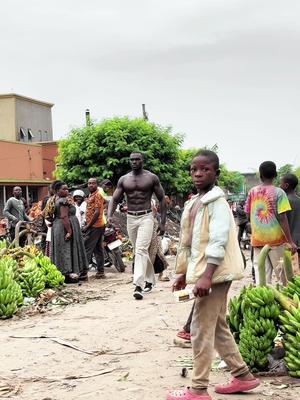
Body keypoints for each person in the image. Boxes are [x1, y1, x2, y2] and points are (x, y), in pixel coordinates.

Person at [167, 150, 259, 400]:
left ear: (216, 173)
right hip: (207, 272)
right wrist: (183, 273)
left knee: (200, 328)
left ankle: (198, 389)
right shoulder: (194, 202)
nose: (198, 173)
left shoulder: (217, 202)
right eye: (194, 169)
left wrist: (206, 276)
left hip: (216, 273)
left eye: (205, 169)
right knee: (217, 326)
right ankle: (243, 376)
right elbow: (189, 243)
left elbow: (217, 241)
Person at [108, 151, 166, 300]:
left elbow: (162, 199)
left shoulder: (151, 177)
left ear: (142, 161)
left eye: (137, 160)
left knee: (141, 249)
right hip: (130, 218)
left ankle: (138, 285)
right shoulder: (124, 179)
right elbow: (114, 199)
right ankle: (150, 280)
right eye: (132, 160)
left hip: (146, 217)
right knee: (139, 250)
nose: (134, 162)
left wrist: (162, 222)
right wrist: (109, 215)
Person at [245, 161, 297, 285]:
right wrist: (290, 241)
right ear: (275, 175)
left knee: (262, 276)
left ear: (260, 175)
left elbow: (248, 213)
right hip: (276, 241)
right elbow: (282, 217)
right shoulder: (279, 192)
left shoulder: (252, 191)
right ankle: (285, 302)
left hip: (257, 240)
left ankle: (265, 301)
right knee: (282, 275)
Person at [50, 181, 88, 283]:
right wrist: (69, 231)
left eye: (67, 189)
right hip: (64, 227)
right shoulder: (63, 201)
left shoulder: (57, 200)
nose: (66, 191)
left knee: (63, 250)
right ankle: (66, 275)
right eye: (64, 189)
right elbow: (64, 216)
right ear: (57, 191)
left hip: (59, 226)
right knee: (66, 250)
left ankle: (65, 275)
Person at [83, 178, 106, 279]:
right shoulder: (91, 195)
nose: (91, 185)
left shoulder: (97, 195)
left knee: (87, 248)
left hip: (95, 226)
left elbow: (96, 212)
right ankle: (100, 272)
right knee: (98, 249)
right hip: (97, 225)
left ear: (97, 185)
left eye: (93, 183)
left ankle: (83, 273)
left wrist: (88, 226)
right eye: (89, 183)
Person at [280, 173, 300, 268]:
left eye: (281, 183)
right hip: (298, 240)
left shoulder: (284, 202)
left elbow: (282, 221)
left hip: (289, 242)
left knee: (291, 272)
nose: (279, 186)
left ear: (286, 185)